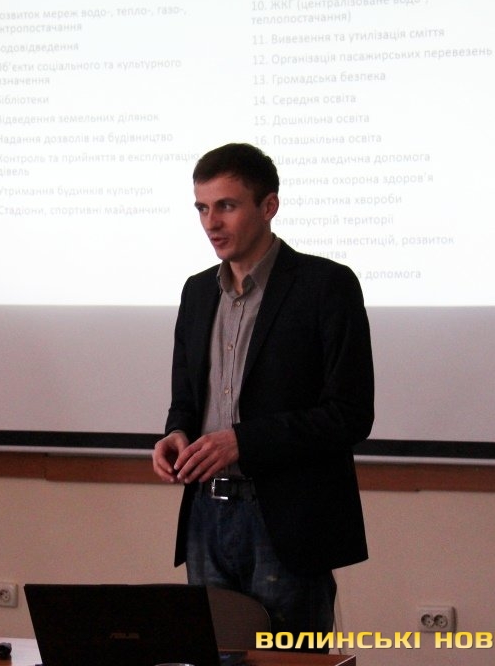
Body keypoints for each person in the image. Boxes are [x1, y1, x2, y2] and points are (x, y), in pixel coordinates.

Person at [151, 142, 374, 651]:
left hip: (286, 522)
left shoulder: (326, 285)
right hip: (206, 515)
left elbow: (350, 414)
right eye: (202, 208)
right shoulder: (196, 292)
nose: (211, 223)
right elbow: (186, 400)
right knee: (213, 656)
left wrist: (242, 442)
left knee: (289, 662)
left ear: (268, 206)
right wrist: (175, 434)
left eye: (226, 206)